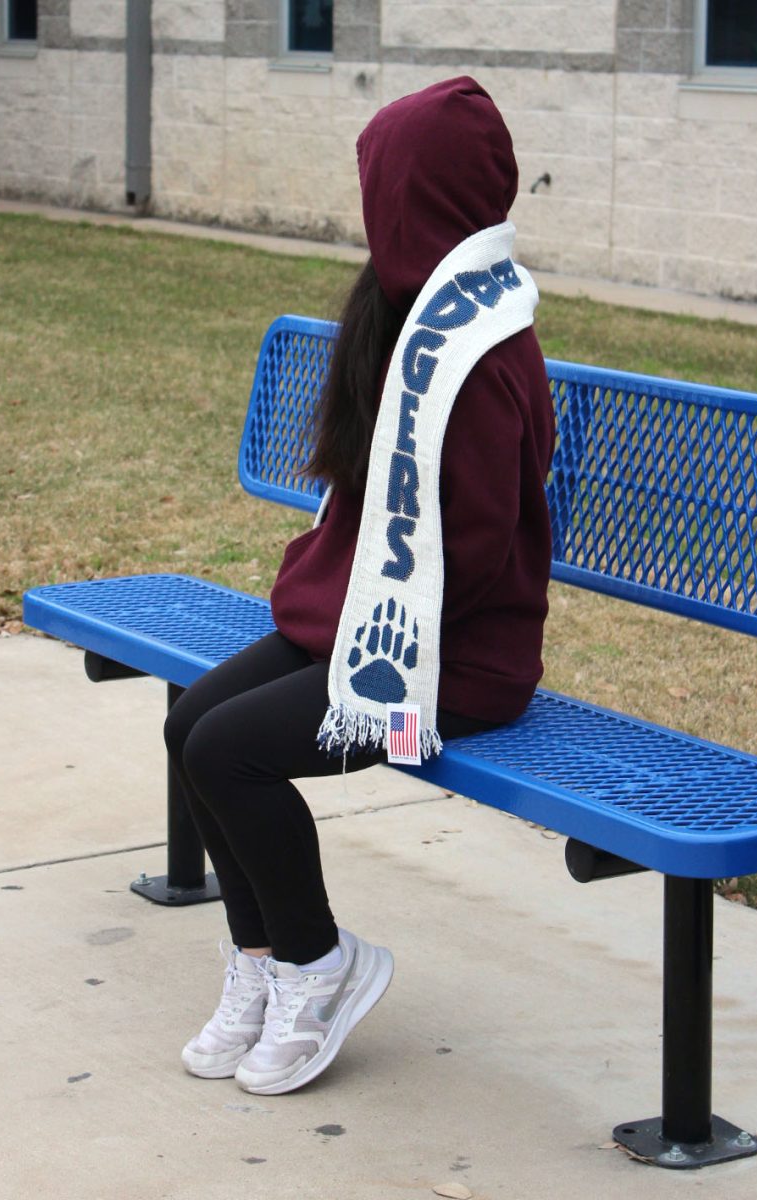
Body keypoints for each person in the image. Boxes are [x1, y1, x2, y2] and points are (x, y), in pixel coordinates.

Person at [163, 76, 555, 1097]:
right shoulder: (409, 319)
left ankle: (320, 962)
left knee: (230, 751)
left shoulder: (473, 353)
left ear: (417, 198)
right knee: (191, 722)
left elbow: (463, 558)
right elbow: (359, 513)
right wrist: (327, 612)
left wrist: (347, 635)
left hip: (455, 659)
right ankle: (262, 963)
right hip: (370, 625)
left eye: (382, 188)